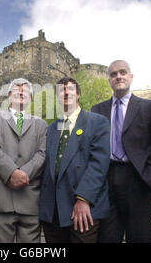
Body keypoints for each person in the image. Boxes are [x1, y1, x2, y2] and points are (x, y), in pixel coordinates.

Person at [91, 60, 151, 243]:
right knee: (106, 238)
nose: (118, 77)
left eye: (122, 72)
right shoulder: (97, 110)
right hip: (107, 180)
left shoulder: (149, 108)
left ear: (130, 77)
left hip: (138, 178)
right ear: (109, 80)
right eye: (114, 74)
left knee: (141, 237)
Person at [39, 77, 110, 243]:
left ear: (78, 94)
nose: (65, 93)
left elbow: (99, 165)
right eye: (61, 90)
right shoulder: (52, 128)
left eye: (70, 89)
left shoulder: (97, 122)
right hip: (53, 212)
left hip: (82, 209)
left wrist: (83, 199)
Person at [0, 78, 47, 243]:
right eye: (17, 89)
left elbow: (42, 153)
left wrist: (24, 173)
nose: (21, 92)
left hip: (30, 200)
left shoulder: (41, 124)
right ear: (9, 95)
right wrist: (11, 173)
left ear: (31, 98)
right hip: (1, 199)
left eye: (25, 90)